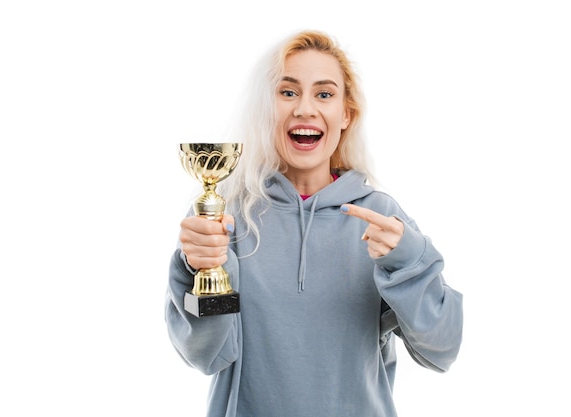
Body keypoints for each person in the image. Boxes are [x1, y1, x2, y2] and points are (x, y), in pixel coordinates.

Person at [165, 30, 463, 417]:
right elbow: (205, 354)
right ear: (265, 108)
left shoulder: (380, 217)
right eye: (287, 92)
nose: (305, 108)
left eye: (324, 94)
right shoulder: (226, 218)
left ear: (346, 114)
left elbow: (442, 350)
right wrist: (199, 269)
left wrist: (409, 262)